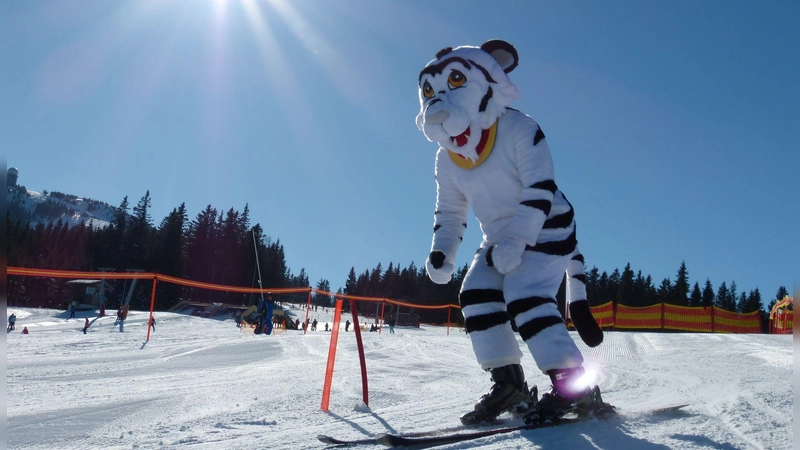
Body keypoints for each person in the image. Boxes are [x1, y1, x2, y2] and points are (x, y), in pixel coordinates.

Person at [415, 40, 604, 426]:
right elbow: (451, 211)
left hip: (547, 223)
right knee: (476, 293)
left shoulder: (519, 128)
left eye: (455, 81)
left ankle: (574, 383)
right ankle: (509, 382)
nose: (438, 99)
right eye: (430, 91)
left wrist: (519, 241)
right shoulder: (446, 159)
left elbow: (541, 189)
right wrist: (442, 252)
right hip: (499, 235)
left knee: (525, 292)